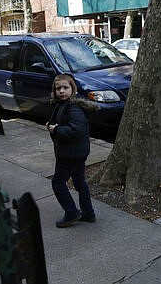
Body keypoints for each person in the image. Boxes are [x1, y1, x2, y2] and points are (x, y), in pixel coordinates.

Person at [47, 74, 96, 228]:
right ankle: (88, 213)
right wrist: (53, 126)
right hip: (76, 153)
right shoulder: (64, 104)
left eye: (65, 88)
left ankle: (71, 212)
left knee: (58, 183)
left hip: (70, 154)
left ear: (72, 89)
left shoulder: (73, 107)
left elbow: (77, 130)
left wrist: (57, 129)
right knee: (80, 182)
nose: (61, 91)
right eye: (58, 88)